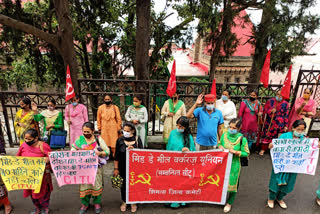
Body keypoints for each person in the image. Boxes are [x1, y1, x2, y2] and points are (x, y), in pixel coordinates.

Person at [267, 119, 320, 209]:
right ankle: (271, 198)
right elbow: (274, 146)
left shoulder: (304, 140)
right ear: (293, 128)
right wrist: (271, 145)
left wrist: (316, 145)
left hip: (293, 167)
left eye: (302, 130)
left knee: (288, 183)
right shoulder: (285, 136)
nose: (300, 132)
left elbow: (309, 148)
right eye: (298, 129)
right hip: (281, 165)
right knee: (275, 182)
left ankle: (280, 198)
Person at [71, 122, 109, 214]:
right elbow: (72, 150)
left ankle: (97, 203)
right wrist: (76, 152)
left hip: (96, 169)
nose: (86, 133)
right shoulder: (79, 140)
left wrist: (99, 153)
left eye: (88, 131)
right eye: (84, 131)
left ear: (93, 131)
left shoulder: (98, 139)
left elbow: (107, 151)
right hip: (83, 169)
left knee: (96, 185)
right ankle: (85, 204)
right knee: (84, 186)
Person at [16, 129, 52, 214]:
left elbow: (53, 158)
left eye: (29, 139)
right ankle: (37, 208)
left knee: (43, 193)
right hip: (28, 176)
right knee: (32, 193)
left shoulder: (44, 146)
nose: (26, 141)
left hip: (42, 177)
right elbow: (17, 158)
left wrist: (48, 160)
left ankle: (45, 209)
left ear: (36, 138)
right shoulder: (23, 146)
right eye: (25, 138)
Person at [218, 118, 249, 213]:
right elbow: (220, 143)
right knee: (220, 182)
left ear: (239, 129)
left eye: (234, 128)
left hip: (235, 164)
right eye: (230, 127)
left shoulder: (242, 139)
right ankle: (220, 199)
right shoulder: (224, 134)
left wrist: (236, 152)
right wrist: (220, 146)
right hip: (222, 163)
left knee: (233, 184)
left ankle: (229, 202)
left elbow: (246, 153)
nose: (231, 129)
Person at [166, 116, 195, 208]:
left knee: (182, 183)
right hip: (173, 163)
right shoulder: (172, 133)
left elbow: (193, 152)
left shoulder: (189, 137)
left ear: (185, 127)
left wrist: (187, 150)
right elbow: (168, 147)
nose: (178, 128)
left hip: (184, 164)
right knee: (172, 182)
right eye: (177, 126)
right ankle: (171, 200)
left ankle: (181, 201)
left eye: (181, 127)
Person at [114, 122, 143, 213]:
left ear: (133, 131)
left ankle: (133, 202)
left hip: (135, 168)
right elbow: (116, 156)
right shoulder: (119, 140)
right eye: (124, 130)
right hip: (122, 167)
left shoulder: (138, 140)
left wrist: (134, 151)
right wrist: (116, 169)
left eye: (127, 131)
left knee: (134, 185)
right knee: (123, 185)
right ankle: (124, 201)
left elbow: (143, 154)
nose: (125, 132)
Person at [259, 91, 289, 156]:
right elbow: (265, 110)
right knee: (266, 135)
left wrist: (286, 125)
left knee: (276, 138)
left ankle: (273, 150)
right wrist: (270, 111)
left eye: (281, 95)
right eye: (277, 94)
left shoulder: (286, 104)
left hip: (279, 124)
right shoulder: (270, 101)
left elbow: (286, 115)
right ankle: (263, 149)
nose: (279, 96)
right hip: (269, 122)